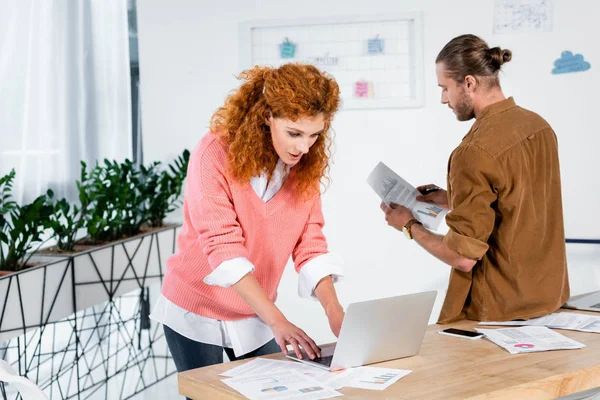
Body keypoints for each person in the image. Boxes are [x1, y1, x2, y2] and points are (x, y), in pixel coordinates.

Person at [151, 63, 345, 377]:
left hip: (253, 310)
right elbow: (223, 246)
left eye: (314, 135)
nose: (303, 146)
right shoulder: (214, 153)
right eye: (294, 133)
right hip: (195, 307)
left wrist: (334, 311)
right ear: (267, 116)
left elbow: (310, 244)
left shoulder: (304, 167)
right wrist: (278, 320)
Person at [380, 34, 569, 323]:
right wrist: (452, 197)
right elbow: (518, 199)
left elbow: (463, 258)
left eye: (445, 88)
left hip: (498, 313)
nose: (444, 99)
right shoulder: (539, 126)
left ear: (469, 83)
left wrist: (408, 225)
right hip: (549, 299)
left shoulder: (472, 152)